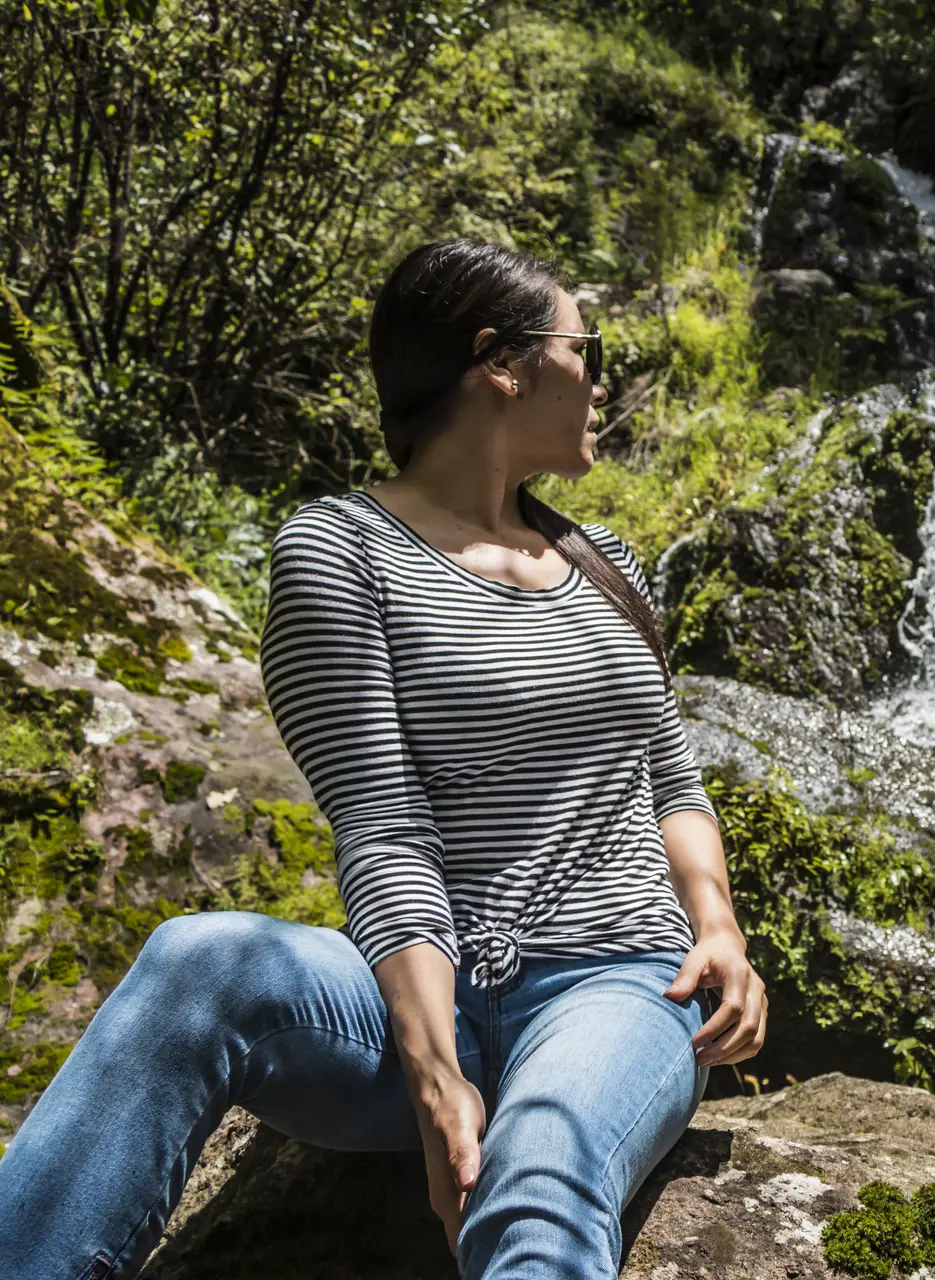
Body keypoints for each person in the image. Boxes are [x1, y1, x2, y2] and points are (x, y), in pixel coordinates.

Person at [0, 239, 768, 1279]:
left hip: (619, 979)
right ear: (501, 363)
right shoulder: (337, 549)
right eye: (586, 346)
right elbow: (382, 825)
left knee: (536, 1170)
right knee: (199, 959)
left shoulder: (606, 565)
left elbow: (670, 774)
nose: (599, 374)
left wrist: (716, 924)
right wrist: (435, 1069)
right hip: (421, 988)